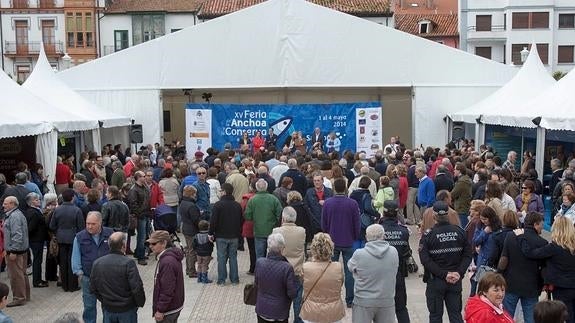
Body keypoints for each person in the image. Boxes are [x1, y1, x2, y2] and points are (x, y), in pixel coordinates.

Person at [419, 201, 472, 323]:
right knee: (455, 315)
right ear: (448, 215)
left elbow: (425, 260)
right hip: (455, 280)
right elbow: (468, 255)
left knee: (435, 316)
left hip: (436, 280)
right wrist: (459, 272)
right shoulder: (460, 232)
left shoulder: (428, 235)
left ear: (434, 216)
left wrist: (444, 274)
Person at [515, 216, 575, 323]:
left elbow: (530, 253)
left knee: (565, 316)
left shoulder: (553, 248)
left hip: (561, 287)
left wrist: (521, 237)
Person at [498, 212, 547, 323]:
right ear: (535, 224)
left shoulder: (511, 236)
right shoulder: (542, 242)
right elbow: (544, 268)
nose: (542, 228)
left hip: (510, 283)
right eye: (541, 225)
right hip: (531, 287)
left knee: (506, 317)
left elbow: (504, 259)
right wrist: (543, 284)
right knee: (531, 319)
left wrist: (498, 274)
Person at [90, 232, 145, 323]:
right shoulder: (128, 263)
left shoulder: (97, 263)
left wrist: (104, 301)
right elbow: (136, 287)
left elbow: (93, 287)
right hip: (127, 310)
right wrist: (139, 303)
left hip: (108, 309)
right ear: (123, 245)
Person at [321, 178, 360, 307]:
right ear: (345, 188)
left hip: (332, 240)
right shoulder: (352, 203)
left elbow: (324, 223)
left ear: (334, 188)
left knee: (331, 271)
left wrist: (327, 235)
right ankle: (350, 300)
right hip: (348, 240)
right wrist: (354, 236)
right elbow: (356, 223)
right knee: (349, 272)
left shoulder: (328, 203)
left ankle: (332, 298)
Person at [348, 224, 399, 323]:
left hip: (363, 300)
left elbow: (350, 267)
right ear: (383, 236)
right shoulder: (393, 252)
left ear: (367, 237)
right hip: (386, 299)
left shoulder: (359, 254)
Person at [71, 211, 114, 323]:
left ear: (100, 223)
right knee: (89, 306)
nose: (89, 226)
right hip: (88, 278)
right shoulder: (79, 237)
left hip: (106, 279)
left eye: (93, 224)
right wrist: (79, 273)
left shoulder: (110, 234)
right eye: (87, 223)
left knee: (107, 305)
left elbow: (116, 253)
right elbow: (75, 256)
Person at [300, 233, 346, 323]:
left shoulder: (306, 267)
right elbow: (340, 284)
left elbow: (303, 284)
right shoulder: (338, 267)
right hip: (333, 312)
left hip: (311, 312)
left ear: (313, 248)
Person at [254, 233, 298, 323]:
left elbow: (256, 283)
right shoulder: (287, 268)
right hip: (280, 312)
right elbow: (292, 293)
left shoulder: (259, 263)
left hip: (262, 310)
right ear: (282, 248)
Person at [380, 201, 411, 323]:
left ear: (384, 212)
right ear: (397, 213)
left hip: (380, 275)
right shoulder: (403, 231)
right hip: (397, 274)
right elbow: (407, 253)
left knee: (381, 311)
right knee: (401, 308)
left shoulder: (378, 230)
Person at [272, 207, 305, 323]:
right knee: (297, 300)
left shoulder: (276, 231)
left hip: (280, 272)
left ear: (283, 218)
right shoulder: (302, 231)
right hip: (297, 271)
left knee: (281, 300)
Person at [50, 189, 84, 292]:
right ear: (73, 198)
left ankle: (64, 285)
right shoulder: (77, 210)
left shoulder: (57, 210)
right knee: (73, 261)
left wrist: (58, 231)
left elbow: (52, 225)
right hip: (73, 238)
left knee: (63, 262)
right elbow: (81, 226)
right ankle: (73, 285)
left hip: (61, 238)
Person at [209, 183, 243, 285]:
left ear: (224, 192)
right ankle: (234, 279)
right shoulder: (237, 205)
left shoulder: (218, 205)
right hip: (234, 235)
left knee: (221, 258)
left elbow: (213, 221)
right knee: (233, 257)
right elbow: (241, 220)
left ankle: (222, 280)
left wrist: (211, 233)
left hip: (221, 236)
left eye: (220, 191)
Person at [149, 230, 185, 322]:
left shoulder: (167, 262)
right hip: (173, 306)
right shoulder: (169, 257)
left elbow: (167, 289)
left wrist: (160, 310)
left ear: (164, 243)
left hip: (168, 311)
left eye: (154, 244)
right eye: (149, 244)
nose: (150, 247)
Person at [2, 196, 30, 307]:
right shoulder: (17, 214)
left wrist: (13, 251)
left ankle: (19, 298)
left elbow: (17, 235)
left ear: (13, 204)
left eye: (6, 203)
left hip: (16, 252)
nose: (3, 205)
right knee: (22, 274)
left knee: (16, 275)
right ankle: (25, 296)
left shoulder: (14, 216)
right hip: (21, 250)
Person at [244, 179, 283, 259]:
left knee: (259, 255)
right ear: (266, 187)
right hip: (272, 231)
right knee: (273, 255)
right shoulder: (274, 199)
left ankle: (260, 270)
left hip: (258, 231)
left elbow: (247, 216)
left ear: (256, 188)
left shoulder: (252, 200)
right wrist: (275, 222)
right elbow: (280, 213)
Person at [24, 192, 49, 288]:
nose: (39, 201)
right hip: (36, 240)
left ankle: (38, 279)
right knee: (37, 261)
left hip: (36, 240)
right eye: (36, 200)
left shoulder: (33, 211)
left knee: (38, 260)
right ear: (31, 202)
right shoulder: (34, 213)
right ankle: (37, 281)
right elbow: (30, 228)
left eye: (38, 199)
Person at [127, 171, 152, 266]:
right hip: (140, 216)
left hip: (146, 214)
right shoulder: (134, 190)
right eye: (143, 176)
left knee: (145, 235)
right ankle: (140, 256)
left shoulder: (144, 187)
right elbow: (133, 204)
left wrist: (149, 212)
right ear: (138, 177)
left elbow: (147, 200)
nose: (145, 177)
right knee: (141, 236)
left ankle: (138, 252)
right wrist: (139, 214)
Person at [179, 185, 200, 278]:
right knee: (192, 251)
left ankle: (188, 269)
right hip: (192, 230)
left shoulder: (183, 202)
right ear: (192, 194)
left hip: (185, 228)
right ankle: (192, 271)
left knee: (188, 250)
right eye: (195, 193)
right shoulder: (192, 206)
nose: (196, 195)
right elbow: (196, 220)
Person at [451, 164, 472, 228]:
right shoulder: (466, 179)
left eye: (455, 169)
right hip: (465, 206)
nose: (454, 171)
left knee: (462, 227)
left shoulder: (462, 182)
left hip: (461, 207)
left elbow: (453, 194)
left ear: (459, 171)